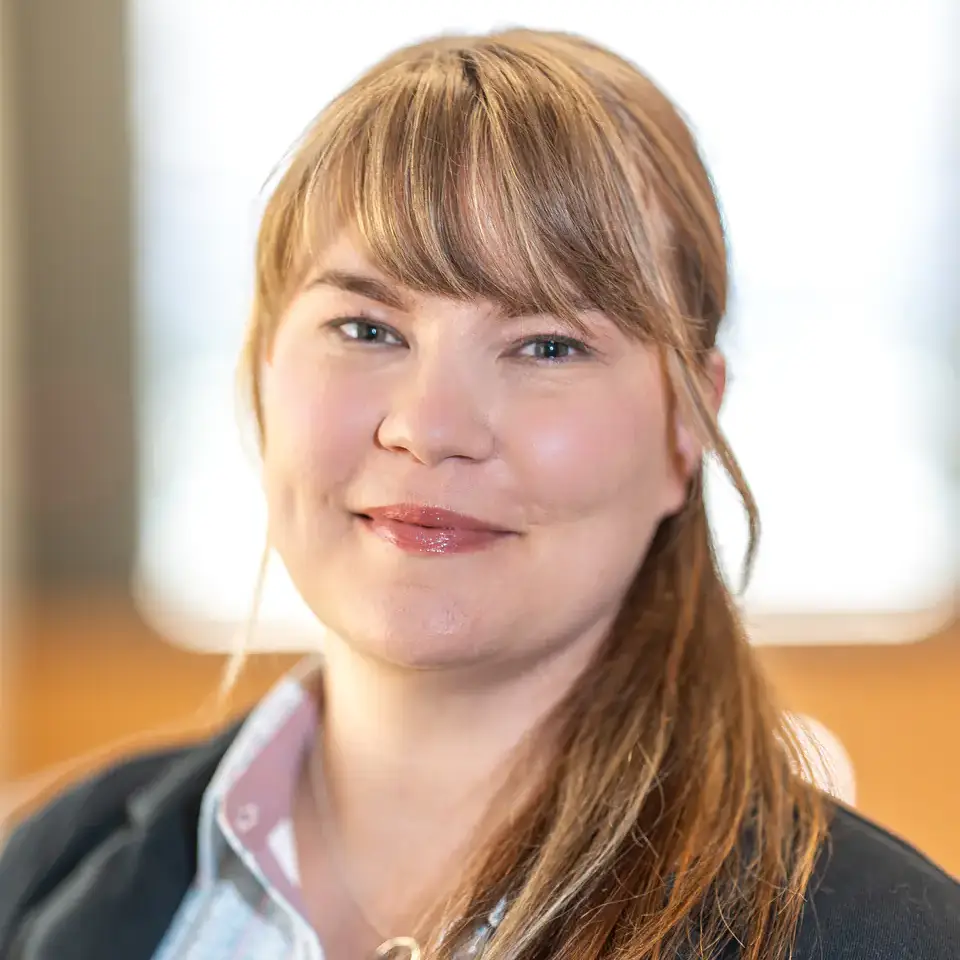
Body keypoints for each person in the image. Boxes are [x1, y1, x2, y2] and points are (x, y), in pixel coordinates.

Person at [1, 27, 957, 960]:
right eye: (367, 328)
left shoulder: (887, 938)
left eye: (548, 344)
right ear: (261, 369)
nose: (428, 427)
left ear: (686, 427)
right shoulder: (46, 870)